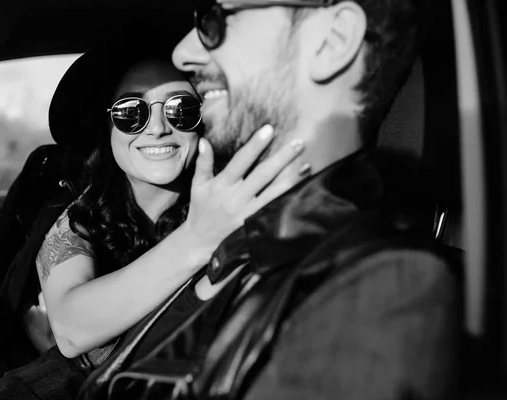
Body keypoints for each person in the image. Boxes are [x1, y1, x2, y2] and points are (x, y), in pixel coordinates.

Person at [76, 1, 460, 399]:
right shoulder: (242, 230)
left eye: (216, 20)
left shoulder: (381, 289)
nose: (183, 52)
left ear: (333, 40)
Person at [0, 53, 303, 398]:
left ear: (202, 122)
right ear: (106, 127)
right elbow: (71, 328)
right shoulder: (79, 215)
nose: (157, 128)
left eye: (180, 109)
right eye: (130, 112)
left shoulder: (231, 203)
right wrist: (198, 238)